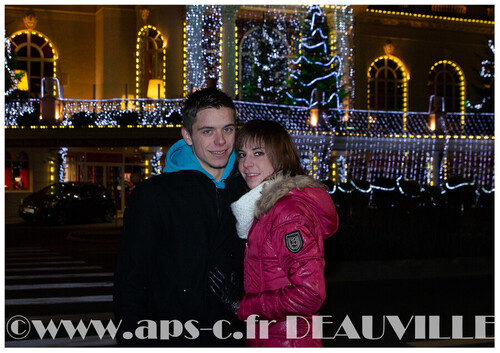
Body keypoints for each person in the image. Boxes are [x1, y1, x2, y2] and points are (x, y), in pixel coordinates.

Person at [114, 88, 247, 347]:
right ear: (187, 135)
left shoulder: (250, 189)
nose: (221, 142)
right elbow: (131, 282)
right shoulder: (154, 196)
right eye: (208, 131)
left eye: (228, 129)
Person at [209, 119, 339, 347]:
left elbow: (310, 294)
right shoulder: (267, 209)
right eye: (241, 154)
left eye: (258, 153)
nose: (246, 164)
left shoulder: (287, 212)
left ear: (281, 158)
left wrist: (243, 306)